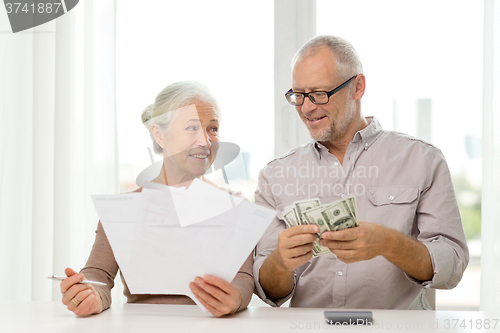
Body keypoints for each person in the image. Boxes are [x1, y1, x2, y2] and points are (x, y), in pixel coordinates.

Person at [253, 35, 469, 309]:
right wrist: (280, 263)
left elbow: (453, 266)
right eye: (298, 95)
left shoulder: (422, 159)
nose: (307, 108)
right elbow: (268, 290)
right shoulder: (274, 176)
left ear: (358, 87)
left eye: (320, 94)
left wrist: (390, 243)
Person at [59, 81, 254, 317]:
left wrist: (236, 298)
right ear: (159, 134)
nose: (205, 141)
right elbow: (98, 274)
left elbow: (244, 277)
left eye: (212, 128)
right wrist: (89, 295)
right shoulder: (124, 211)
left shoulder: (235, 207)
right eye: (192, 128)